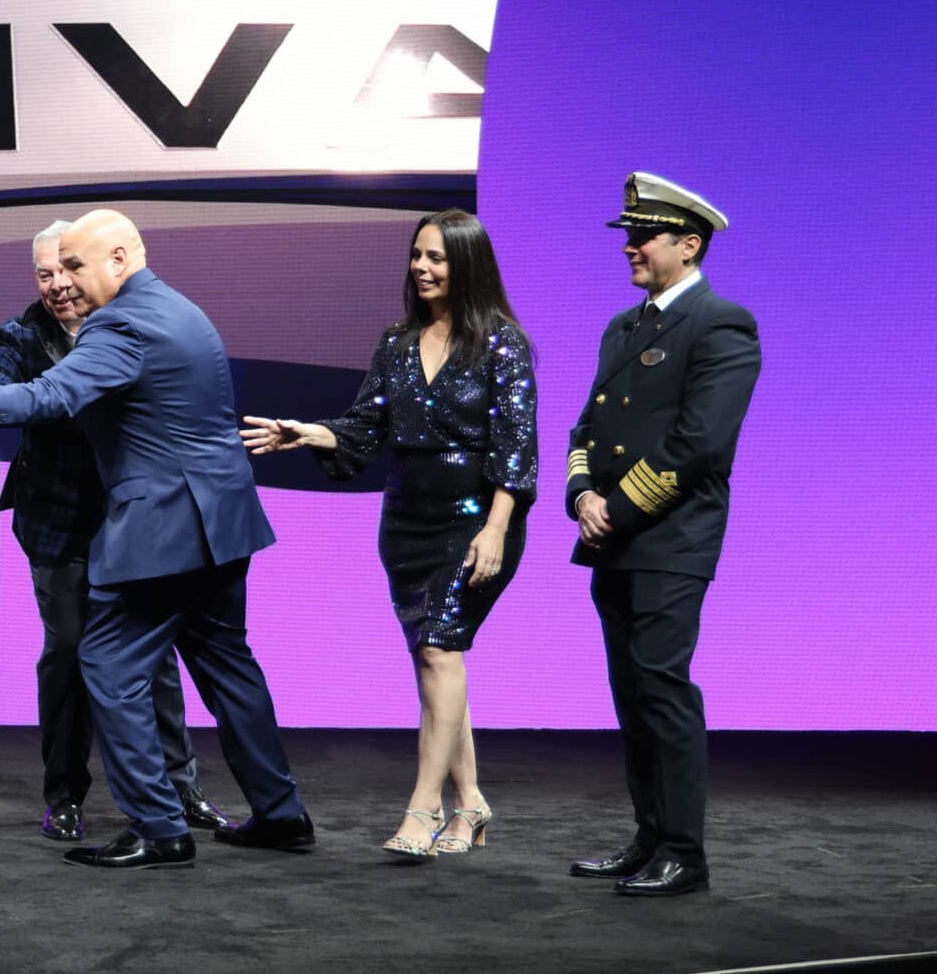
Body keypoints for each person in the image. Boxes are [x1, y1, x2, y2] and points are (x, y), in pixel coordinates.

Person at [0, 210, 311, 870]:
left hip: (165, 527)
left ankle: (159, 826)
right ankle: (281, 813)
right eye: (56, 268)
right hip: (223, 520)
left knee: (104, 661)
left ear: (121, 258)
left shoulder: (119, 322)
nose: (65, 280)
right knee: (227, 664)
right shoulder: (183, 309)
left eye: (76, 265)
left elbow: (55, 392)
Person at [241, 209, 536, 861]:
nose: (422, 268)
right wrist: (311, 433)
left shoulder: (502, 344)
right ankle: (472, 802)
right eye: (417, 255)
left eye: (437, 257)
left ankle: (424, 808)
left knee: (440, 651)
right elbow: (364, 427)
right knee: (435, 662)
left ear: (467, 265)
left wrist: (495, 528)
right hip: (406, 524)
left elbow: (516, 449)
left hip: (474, 521)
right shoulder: (397, 342)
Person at [0, 220, 230, 842]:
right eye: (44, 274)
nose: (58, 284)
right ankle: (64, 795)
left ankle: (179, 788)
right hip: (58, 525)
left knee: (155, 655)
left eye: (67, 269)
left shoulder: (135, 325)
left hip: (137, 522)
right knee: (70, 651)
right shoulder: (22, 334)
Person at [564, 173, 759, 898]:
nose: (631, 247)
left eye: (644, 235)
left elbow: (698, 445)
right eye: (630, 235)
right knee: (631, 694)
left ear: (690, 244)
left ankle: (683, 851)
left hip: (671, 540)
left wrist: (616, 507)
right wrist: (582, 495)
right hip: (612, 540)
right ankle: (649, 838)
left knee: (662, 690)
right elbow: (587, 428)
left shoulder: (722, 324)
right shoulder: (625, 326)